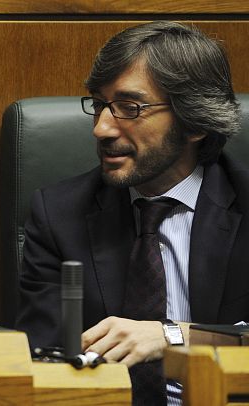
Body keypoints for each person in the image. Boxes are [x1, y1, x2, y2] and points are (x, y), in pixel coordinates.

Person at [16, 21, 249, 405]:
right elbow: (43, 354)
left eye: (129, 107)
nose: (102, 128)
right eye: (100, 105)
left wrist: (174, 335)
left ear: (193, 122)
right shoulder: (58, 215)